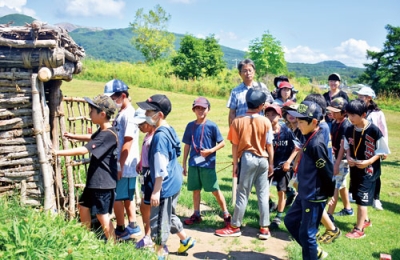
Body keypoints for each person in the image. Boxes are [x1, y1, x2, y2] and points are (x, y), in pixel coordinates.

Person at [137, 94, 195, 259]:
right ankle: (185, 240)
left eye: (149, 112)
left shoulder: (160, 136)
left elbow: (160, 167)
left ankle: (159, 252)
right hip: (175, 177)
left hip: (165, 183)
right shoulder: (169, 128)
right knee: (169, 214)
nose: (146, 115)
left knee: (159, 219)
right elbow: (176, 150)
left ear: (159, 115)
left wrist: (156, 191)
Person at [55, 94, 118, 242]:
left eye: (92, 110)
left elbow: (84, 150)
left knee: (102, 215)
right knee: (83, 206)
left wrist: (58, 152)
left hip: (102, 183)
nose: (89, 112)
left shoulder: (108, 135)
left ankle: (114, 245)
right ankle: (86, 238)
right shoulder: (103, 131)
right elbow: (92, 139)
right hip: (95, 180)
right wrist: (73, 136)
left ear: (102, 114)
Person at [215, 89, 274, 240]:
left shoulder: (238, 121)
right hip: (263, 159)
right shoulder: (266, 121)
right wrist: (271, 164)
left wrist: (235, 164)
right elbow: (269, 145)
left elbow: (234, 145)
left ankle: (235, 226)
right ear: (261, 106)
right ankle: (264, 228)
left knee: (242, 194)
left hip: (247, 158)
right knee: (263, 194)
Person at [284, 101, 335, 260]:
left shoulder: (316, 144)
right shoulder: (307, 134)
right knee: (291, 221)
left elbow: (326, 171)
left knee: (307, 234)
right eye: (297, 121)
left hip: (314, 196)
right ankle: (314, 252)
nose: (298, 125)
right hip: (304, 192)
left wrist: (328, 193)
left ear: (313, 122)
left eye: (301, 121)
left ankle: (312, 254)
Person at [343, 99, 389, 239]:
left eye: (353, 115)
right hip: (355, 169)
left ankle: (359, 230)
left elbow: (381, 150)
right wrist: (349, 157)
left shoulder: (373, 130)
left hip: (369, 170)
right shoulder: (349, 129)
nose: (350, 118)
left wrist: (368, 161)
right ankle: (366, 221)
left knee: (362, 200)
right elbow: (347, 147)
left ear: (363, 114)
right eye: (348, 115)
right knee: (357, 195)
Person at [182, 97, 230, 226]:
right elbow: (187, 145)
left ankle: (226, 213)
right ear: (193, 110)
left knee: (214, 189)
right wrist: (184, 164)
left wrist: (210, 151)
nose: (200, 111)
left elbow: (222, 143)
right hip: (193, 163)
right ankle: (196, 213)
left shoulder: (212, 126)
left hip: (207, 164)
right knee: (195, 190)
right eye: (197, 108)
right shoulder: (190, 126)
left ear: (208, 110)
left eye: (203, 108)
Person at [103, 79, 141, 240]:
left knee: (118, 196)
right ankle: (132, 224)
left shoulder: (129, 115)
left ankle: (121, 229)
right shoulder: (123, 113)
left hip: (125, 164)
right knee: (126, 196)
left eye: (113, 98)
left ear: (122, 96)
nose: (112, 101)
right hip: (126, 164)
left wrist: (120, 165)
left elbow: (128, 140)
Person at [304, 94, 340, 245]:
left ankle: (331, 229)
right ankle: (323, 227)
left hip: (320, 173)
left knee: (317, 204)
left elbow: (320, 154)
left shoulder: (322, 128)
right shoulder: (321, 126)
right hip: (315, 172)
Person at [354, 85, 390, 210]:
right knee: (359, 170)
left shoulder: (377, 113)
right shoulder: (358, 110)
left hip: (374, 146)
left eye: (361, 96)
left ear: (369, 98)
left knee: (375, 173)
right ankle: (357, 193)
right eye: (358, 96)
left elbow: (383, 130)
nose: (359, 98)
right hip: (360, 145)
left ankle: (376, 198)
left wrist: (384, 149)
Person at [264, 104, 298, 228]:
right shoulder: (264, 130)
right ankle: (269, 206)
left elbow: (297, 147)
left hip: (283, 166)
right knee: (263, 190)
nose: (270, 117)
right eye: (267, 115)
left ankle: (278, 216)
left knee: (281, 191)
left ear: (279, 116)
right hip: (268, 166)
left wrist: (289, 162)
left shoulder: (286, 131)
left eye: (273, 115)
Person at [326, 98, 353, 217]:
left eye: (336, 111)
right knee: (341, 184)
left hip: (341, 160)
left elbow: (344, 145)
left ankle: (329, 215)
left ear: (344, 112)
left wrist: (337, 162)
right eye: (332, 110)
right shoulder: (335, 122)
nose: (333, 113)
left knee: (335, 186)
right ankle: (348, 209)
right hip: (335, 158)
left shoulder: (346, 125)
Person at [134, 108, 156, 249]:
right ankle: (148, 234)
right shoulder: (148, 135)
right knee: (144, 205)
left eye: (141, 124)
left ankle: (149, 235)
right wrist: (141, 162)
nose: (139, 127)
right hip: (144, 173)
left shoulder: (154, 137)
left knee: (146, 206)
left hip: (150, 175)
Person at [227, 58, 274, 125]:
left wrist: (265, 104)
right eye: (245, 71)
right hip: (242, 127)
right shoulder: (235, 91)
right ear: (240, 73)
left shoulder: (262, 87)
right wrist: (232, 130)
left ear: (254, 72)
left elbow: (270, 105)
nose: (248, 73)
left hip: (259, 125)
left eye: (250, 70)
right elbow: (232, 113)